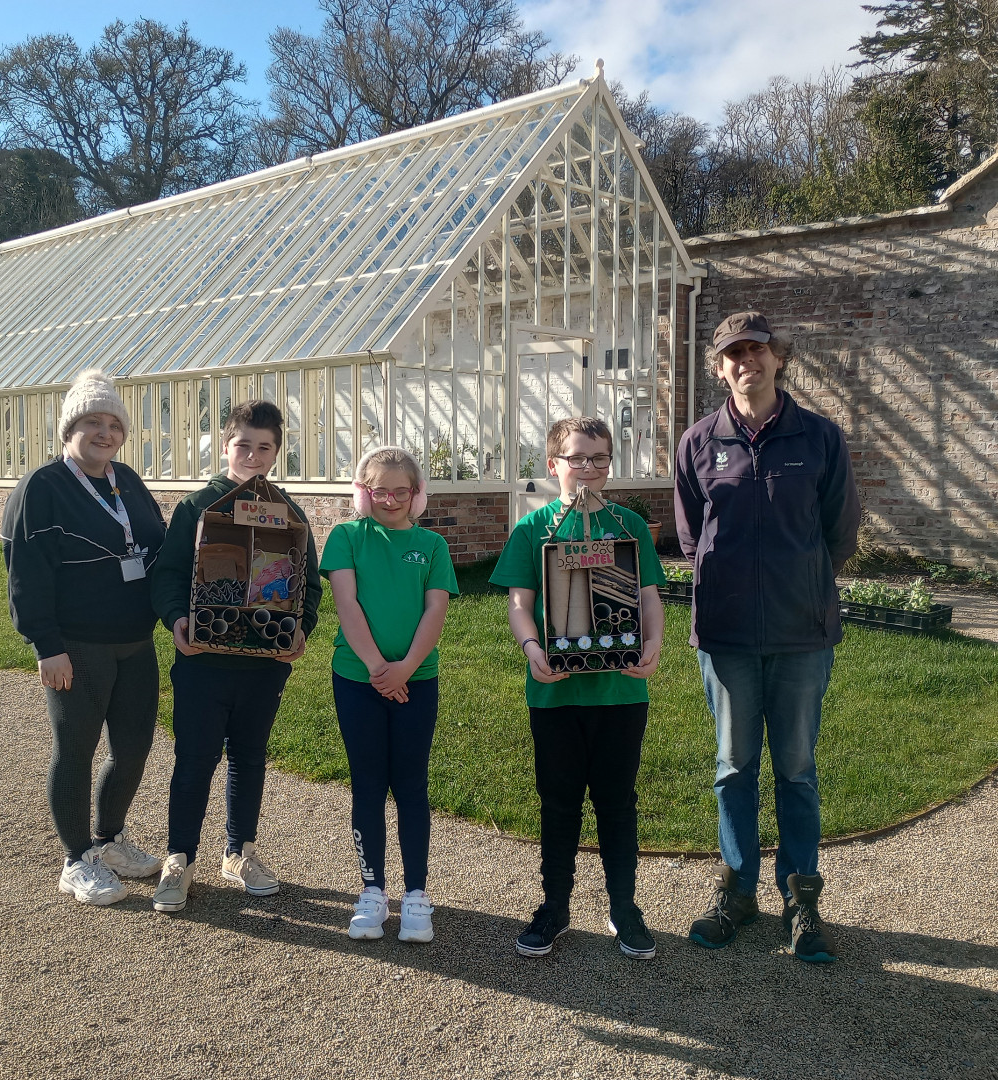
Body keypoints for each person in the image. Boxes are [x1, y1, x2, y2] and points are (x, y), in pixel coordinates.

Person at [674, 311, 860, 963]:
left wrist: (797, 582)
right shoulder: (699, 442)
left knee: (797, 769)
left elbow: (840, 532)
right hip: (726, 639)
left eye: (758, 349)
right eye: (733, 353)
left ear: (779, 358)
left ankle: (800, 900)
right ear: (719, 367)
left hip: (801, 635)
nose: (746, 360)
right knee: (733, 769)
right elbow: (694, 537)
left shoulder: (820, 438)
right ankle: (738, 891)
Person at [490, 417, 666, 959]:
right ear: (553, 465)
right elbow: (520, 604)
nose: (588, 468)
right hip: (555, 692)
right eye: (576, 458)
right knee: (559, 802)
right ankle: (554, 907)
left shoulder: (629, 526)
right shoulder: (534, 528)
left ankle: (624, 908)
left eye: (599, 458)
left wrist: (654, 645)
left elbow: (650, 597)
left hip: (620, 693)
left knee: (617, 802)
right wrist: (532, 649)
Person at [1, 369, 167, 905]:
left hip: (134, 641)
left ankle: (111, 838)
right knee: (75, 749)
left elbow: (157, 549)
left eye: (112, 423)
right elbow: (27, 572)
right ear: (69, 428)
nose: (104, 432)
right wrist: (46, 646)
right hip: (77, 644)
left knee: (135, 747)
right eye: (92, 422)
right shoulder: (42, 488)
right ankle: (76, 858)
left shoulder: (128, 481)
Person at [148, 400, 322, 913]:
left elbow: (308, 583)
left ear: (275, 452)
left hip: (263, 665)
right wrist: (178, 619)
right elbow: (170, 575)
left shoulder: (289, 512)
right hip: (203, 661)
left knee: (249, 758)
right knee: (195, 759)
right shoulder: (196, 507)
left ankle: (239, 851)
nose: (252, 454)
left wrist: (301, 630)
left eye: (263, 446)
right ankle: (180, 857)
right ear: (225, 445)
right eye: (242, 444)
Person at [320, 446, 459, 942]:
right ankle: (373, 890)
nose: (391, 498)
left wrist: (405, 670)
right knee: (368, 784)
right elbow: (346, 603)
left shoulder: (433, 545)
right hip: (358, 680)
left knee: (411, 786)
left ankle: (417, 894)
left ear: (416, 493)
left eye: (402, 490)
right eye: (379, 489)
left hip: (417, 681)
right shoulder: (346, 537)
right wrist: (380, 669)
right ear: (364, 491)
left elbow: (435, 611)